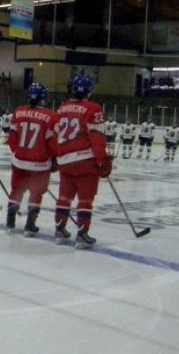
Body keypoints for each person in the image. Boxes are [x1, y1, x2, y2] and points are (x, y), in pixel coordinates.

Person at [55, 75, 111, 249]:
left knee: (64, 196)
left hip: (64, 159)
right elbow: (97, 136)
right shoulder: (93, 108)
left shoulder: (62, 107)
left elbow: (56, 131)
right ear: (89, 91)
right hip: (84, 160)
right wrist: (101, 159)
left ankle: (60, 231)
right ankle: (82, 234)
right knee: (85, 199)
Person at [6, 82, 58, 236]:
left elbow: (12, 140)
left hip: (19, 161)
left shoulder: (19, 112)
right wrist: (54, 159)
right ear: (44, 98)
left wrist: (19, 152)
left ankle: (10, 221)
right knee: (36, 193)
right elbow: (52, 144)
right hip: (40, 164)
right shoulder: (51, 116)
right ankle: (30, 225)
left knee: (16, 190)